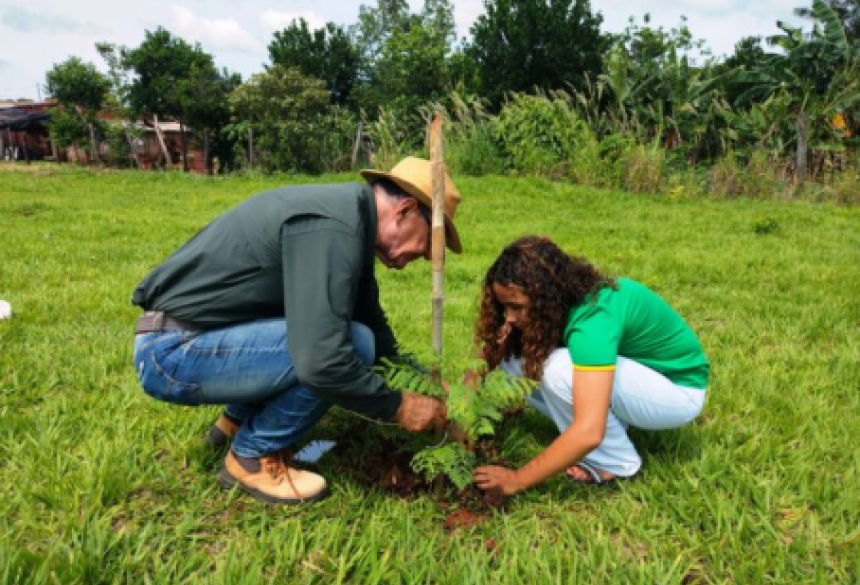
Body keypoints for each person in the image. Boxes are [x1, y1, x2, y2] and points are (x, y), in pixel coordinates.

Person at [131, 157, 462, 505]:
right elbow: (322, 361)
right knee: (347, 344)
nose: (426, 255)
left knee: (352, 334)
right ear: (406, 210)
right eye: (431, 241)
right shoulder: (333, 228)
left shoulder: (348, 221)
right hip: (171, 351)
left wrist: (423, 381)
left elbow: (375, 330)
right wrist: (397, 406)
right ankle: (251, 456)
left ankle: (236, 420)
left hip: (193, 336)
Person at [472, 236, 709, 495]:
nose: (509, 317)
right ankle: (610, 430)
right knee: (512, 362)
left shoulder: (593, 320)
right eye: (504, 306)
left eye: (517, 307)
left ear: (545, 297)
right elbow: (492, 351)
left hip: (677, 392)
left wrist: (516, 479)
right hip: (638, 380)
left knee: (556, 370)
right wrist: (463, 404)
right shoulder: (564, 301)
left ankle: (615, 463)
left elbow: (590, 431)